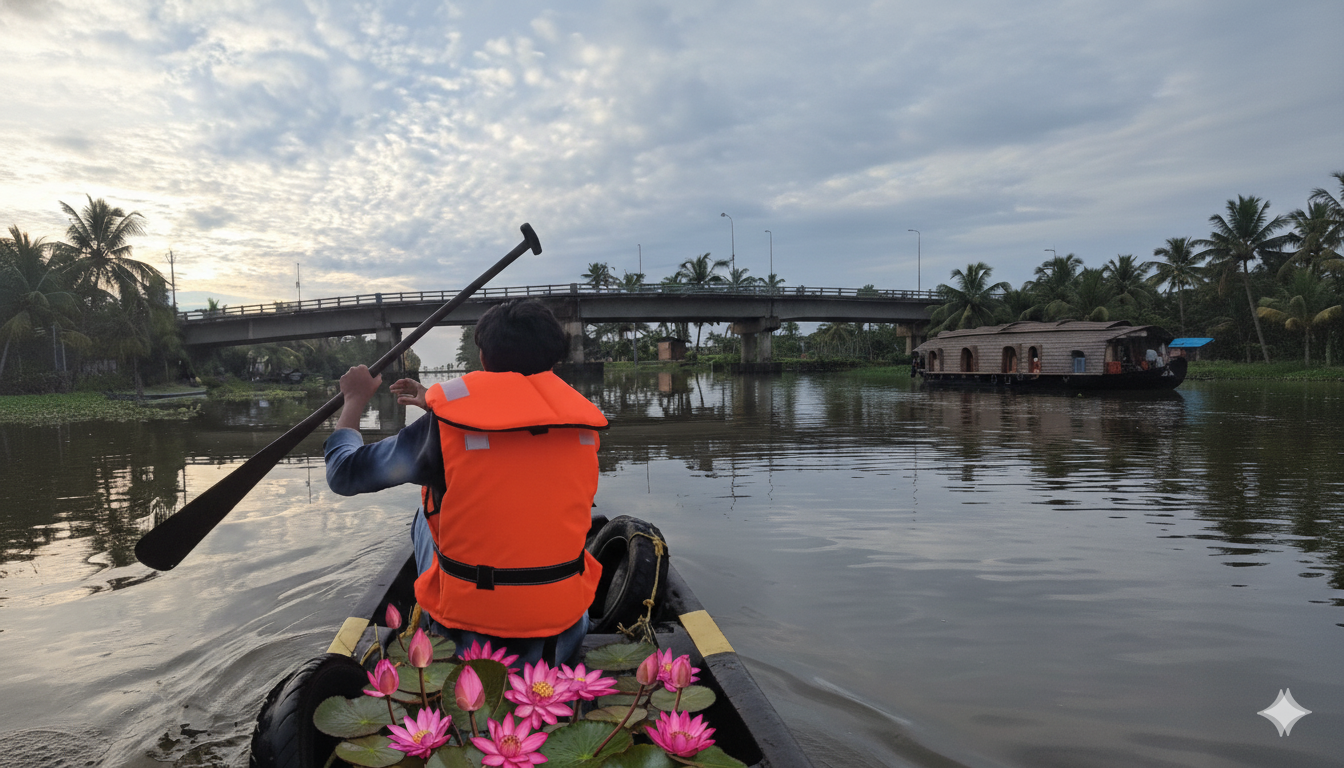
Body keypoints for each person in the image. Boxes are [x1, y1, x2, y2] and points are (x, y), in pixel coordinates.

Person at [325, 299, 607, 666]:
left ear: (483, 359)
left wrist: (354, 400)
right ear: (553, 362)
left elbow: (344, 474)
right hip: (563, 629)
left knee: (428, 508)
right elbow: (516, 434)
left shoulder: (439, 432)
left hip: (471, 634)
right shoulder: (581, 423)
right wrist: (436, 404)